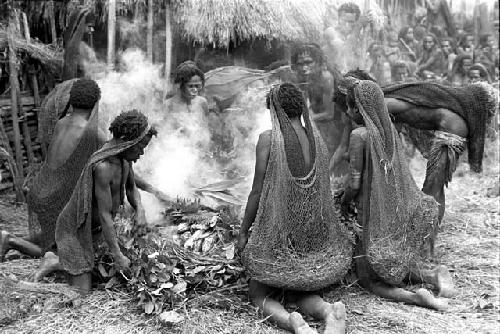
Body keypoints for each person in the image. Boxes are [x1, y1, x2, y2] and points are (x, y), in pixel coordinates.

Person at [332, 70, 497, 256]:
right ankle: (426, 243)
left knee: (431, 191)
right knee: (433, 190)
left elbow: (381, 142)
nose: (347, 112)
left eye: (348, 107)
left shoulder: (382, 104)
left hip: (452, 128)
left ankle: (427, 247)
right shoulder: (381, 102)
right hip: (450, 125)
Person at [238, 83, 351, 334]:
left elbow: (257, 191)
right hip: (312, 237)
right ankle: (327, 312)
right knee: (299, 291)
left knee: (258, 293)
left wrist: (244, 231)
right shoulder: (317, 139)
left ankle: (292, 323)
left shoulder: (268, 140)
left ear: (275, 111)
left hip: (281, 237)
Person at [338, 78, 454, 310]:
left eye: (349, 107)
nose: (348, 112)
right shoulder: (389, 130)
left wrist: (342, 203)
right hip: (395, 209)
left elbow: (354, 182)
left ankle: (415, 297)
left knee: (368, 278)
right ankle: (432, 275)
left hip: (371, 214)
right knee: (392, 261)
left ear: (356, 109)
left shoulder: (359, 135)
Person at [35, 110, 156, 293]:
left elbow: (132, 188)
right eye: (141, 147)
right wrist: (117, 255)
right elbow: (105, 215)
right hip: (75, 232)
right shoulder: (103, 167)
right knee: (82, 293)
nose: (142, 152)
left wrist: (140, 211)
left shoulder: (124, 158)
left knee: (111, 269)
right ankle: (54, 262)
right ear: (127, 141)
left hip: (97, 231)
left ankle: (69, 259)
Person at [1, 78, 104, 262]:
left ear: (71, 100)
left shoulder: (61, 123)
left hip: (41, 192)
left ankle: (14, 242)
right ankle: (10, 240)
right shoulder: (94, 134)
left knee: (52, 238)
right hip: (57, 200)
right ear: (96, 103)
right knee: (64, 255)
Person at [291, 44, 343, 166]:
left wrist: (305, 119)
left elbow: (329, 114)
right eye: (300, 63)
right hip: (317, 120)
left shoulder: (326, 78)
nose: (304, 67)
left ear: (318, 62)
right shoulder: (303, 78)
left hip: (335, 124)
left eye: (309, 62)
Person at [323, 2, 374, 73]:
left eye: (351, 22)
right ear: (339, 19)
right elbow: (344, 51)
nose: (347, 25)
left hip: (354, 77)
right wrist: (358, 26)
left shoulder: (358, 37)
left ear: (356, 21)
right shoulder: (331, 32)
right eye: (344, 21)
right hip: (335, 77)